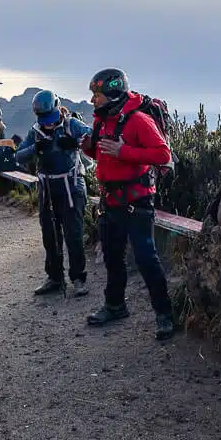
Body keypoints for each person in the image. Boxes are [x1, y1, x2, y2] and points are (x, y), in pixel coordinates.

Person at [80, 68, 175, 341]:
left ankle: (164, 313)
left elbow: (162, 154)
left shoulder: (139, 120)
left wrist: (124, 152)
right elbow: (98, 151)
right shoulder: (102, 121)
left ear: (111, 93)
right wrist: (86, 145)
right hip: (110, 201)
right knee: (112, 255)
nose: (92, 100)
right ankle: (115, 305)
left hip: (136, 202)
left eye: (96, 94)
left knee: (146, 258)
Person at [14, 90, 93, 297]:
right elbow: (18, 156)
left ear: (58, 109)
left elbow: (92, 134)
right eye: (44, 120)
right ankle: (55, 277)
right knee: (50, 236)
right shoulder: (36, 131)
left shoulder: (71, 124)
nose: (48, 124)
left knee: (73, 234)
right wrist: (36, 148)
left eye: (50, 119)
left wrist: (77, 143)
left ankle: (78, 278)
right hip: (47, 188)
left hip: (71, 185)